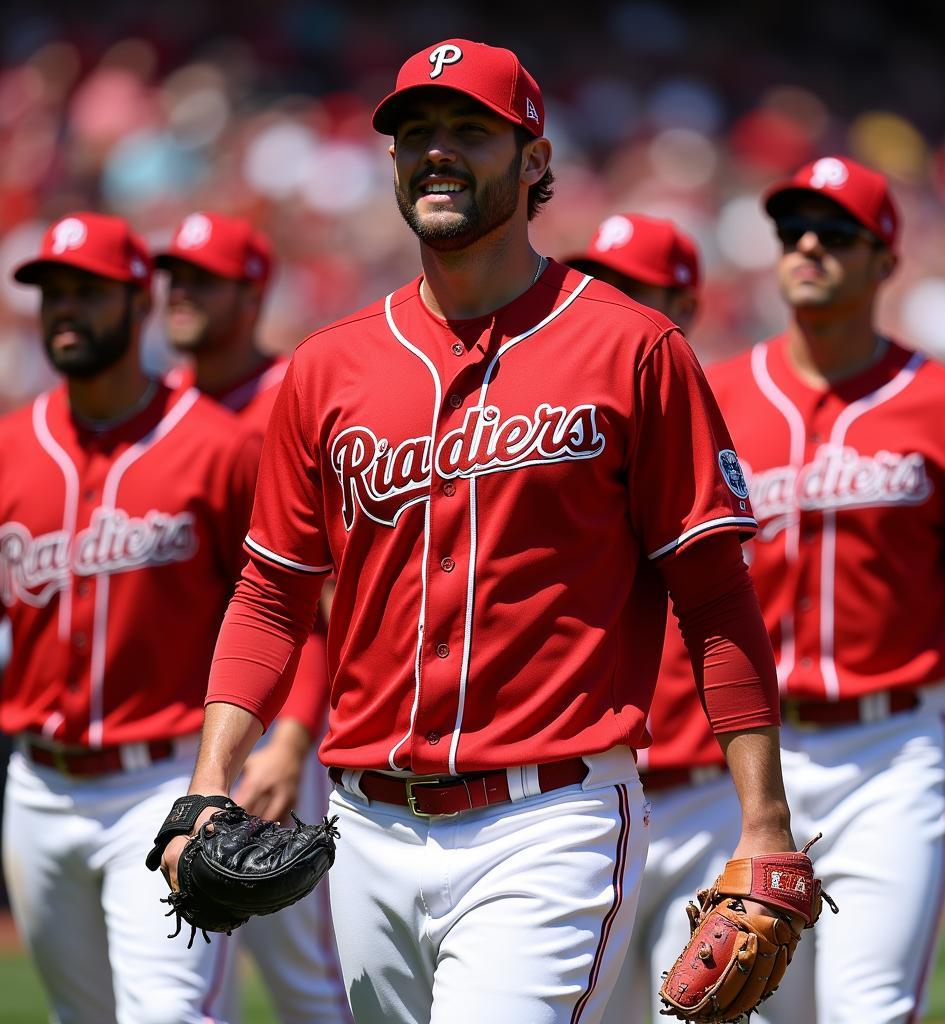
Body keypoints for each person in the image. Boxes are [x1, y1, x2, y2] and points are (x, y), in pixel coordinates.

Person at [158, 39, 796, 1024]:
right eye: (414, 134)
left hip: (554, 817)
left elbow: (713, 597)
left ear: (535, 159)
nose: (436, 152)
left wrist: (763, 821)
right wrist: (208, 784)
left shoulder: (633, 348)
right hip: (364, 827)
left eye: (468, 130)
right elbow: (273, 593)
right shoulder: (330, 368)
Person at [706, 155, 945, 1024]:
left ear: (886, 260)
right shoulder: (721, 398)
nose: (810, 246)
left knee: (867, 1009)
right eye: (794, 230)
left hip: (895, 754)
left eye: (837, 232)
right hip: (747, 761)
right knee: (761, 1007)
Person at [0, 212, 260, 1024]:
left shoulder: (216, 446)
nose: (66, 310)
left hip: (166, 778)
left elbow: (284, 604)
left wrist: (284, 741)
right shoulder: (10, 445)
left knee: (166, 1013)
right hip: (37, 783)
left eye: (89, 293)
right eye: (53, 294)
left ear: (139, 303)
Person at [156, 211, 351, 1023]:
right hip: (171, 727)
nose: (182, 293)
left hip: (277, 719)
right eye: (176, 276)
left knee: (307, 968)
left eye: (205, 278)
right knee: (177, 969)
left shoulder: (291, 397)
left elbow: (325, 603)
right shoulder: (154, 407)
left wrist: (296, 740)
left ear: (252, 292)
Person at [566, 214, 742, 1024]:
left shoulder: (739, 412)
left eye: (634, 288)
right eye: (600, 282)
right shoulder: (565, 436)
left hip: (706, 785)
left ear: (685, 305)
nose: (611, 304)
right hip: (585, 790)